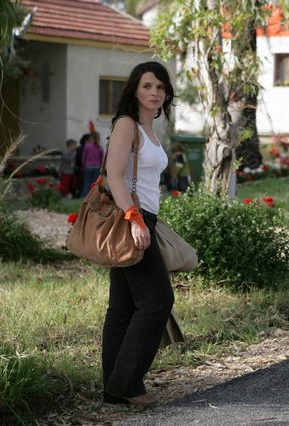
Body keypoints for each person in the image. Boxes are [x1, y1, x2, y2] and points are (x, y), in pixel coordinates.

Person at [101, 61, 175, 407]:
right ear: (134, 89)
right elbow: (114, 175)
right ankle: (126, 382)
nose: (154, 92)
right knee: (157, 301)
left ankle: (114, 388)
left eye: (160, 87)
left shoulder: (149, 129)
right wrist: (134, 219)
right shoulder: (126, 124)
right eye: (147, 86)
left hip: (145, 218)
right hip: (131, 218)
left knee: (122, 306)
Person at [80, 133, 104, 197]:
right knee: (95, 183)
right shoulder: (100, 148)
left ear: (92, 138)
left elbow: (84, 158)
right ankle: (93, 196)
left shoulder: (87, 146)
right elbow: (101, 159)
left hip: (88, 166)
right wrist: (101, 168)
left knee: (87, 182)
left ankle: (84, 196)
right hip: (96, 167)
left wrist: (83, 166)